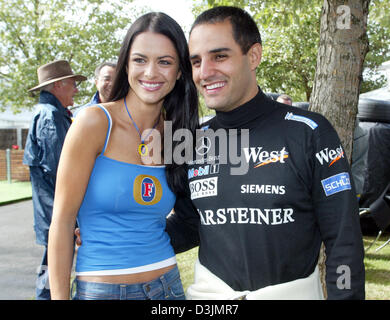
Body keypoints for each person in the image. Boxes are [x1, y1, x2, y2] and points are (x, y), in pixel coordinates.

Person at [166, 6, 365, 299]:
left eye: (220, 56)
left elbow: (343, 239)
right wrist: (120, 235)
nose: (205, 72)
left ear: (254, 56)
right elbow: (189, 223)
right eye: (196, 61)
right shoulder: (194, 141)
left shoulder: (310, 132)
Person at [48, 12, 198, 300]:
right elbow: (62, 223)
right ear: (126, 64)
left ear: (180, 71)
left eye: (164, 62)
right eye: (140, 59)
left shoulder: (177, 133)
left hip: (167, 287)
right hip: (101, 289)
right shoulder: (94, 123)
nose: (151, 73)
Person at [23, 59, 87, 300]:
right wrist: (76, 217)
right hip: (58, 215)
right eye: (72, 83)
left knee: (52, 267)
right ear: (58, 85)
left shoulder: (49, 113)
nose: (76, 89)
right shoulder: (51, 117)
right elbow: (63, 172)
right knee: (53, 272)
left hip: (53, 213)